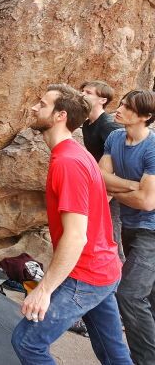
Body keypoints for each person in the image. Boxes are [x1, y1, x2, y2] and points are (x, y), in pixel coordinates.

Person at [11, 84, 130, 365]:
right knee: (113, 354)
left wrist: (45, 289)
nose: (34, 108)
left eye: (42, 104)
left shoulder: (68, 162)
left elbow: (76, 237)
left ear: (60, 116)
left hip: (87, 273)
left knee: (28, 343)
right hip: (103, 268)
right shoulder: (75, 154)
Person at [99, 89, 155, 364]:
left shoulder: (153, 147)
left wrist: (118, 189)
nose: (119, 108)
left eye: (128, 107)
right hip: (131, 226)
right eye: (121, 103)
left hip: (152, 231)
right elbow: (100, 178)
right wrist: (131, 186)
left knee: (130, 295)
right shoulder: (114, 137)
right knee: (150, 298)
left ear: (145, 117)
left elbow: (146, 201)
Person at [80, 80, 124, 259]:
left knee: (114, 236)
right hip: (100, 186)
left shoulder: (108, 125)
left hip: (113, 190)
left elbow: (120, 160)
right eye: (82, 91)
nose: (82, 94)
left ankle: (120, 282)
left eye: (88, 92)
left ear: (102, 100)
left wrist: (106, 196)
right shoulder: (87, 124)